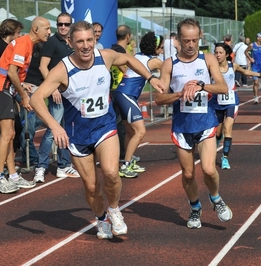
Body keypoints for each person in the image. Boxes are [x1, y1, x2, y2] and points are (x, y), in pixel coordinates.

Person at [30, 21, 165, 239]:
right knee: (91, 187)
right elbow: (36, 98)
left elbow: (130, 59)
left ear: (95, 40)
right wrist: (55, 127)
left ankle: (114, 209)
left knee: (111, 173)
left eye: (89, 40)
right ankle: (101, 219)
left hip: (105, 127)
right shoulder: (63, 69)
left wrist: (151, 77)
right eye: (80, 41)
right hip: (78, 135)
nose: (85, 46)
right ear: (70, 42)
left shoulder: (105, 57)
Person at [155, 18, 233, 229]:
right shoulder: (170, 64)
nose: (190, 45)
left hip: (206, 122)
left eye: (194, 40)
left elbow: (223, 88)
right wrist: (180, 93)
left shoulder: (207, 59)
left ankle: (216, 198)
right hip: (182, 126)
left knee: (208, 169)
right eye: (186, 41)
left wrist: (201, 85)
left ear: (200, 38)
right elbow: (159, 99)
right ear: (178, 39)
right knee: (188, 174)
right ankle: (195, 207)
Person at [0, 17, 51, 194]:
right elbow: (11, 71)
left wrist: (21, 86)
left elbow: (12, 72)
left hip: (6, 89)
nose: (49, 32)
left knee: (11, 133)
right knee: (7, 134)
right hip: (1, 89)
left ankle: (13, 176)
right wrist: (24, 96)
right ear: (35, 29)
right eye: (46, 28)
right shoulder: (24, 43)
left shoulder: (28, 44)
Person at [34, 12, 80, 183]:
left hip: (70, 95)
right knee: (52, 131)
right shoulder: (52, 42)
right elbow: (43, 66)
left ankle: (63, 165)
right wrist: (51, 87)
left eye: (66, 24)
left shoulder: (72, 43)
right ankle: (41, 166)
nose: (63, 27)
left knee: (66, 130)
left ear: (71, 25)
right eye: (60, 24)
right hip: (57, 94)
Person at [114, 32, 164, 178]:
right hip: (126, 94)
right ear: (154, 48)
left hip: (121, 93)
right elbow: (170, 67)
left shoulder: (137, 56)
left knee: (130, 132)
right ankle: (126, 165)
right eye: (160, 48)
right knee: (140, 131)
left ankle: (128, 159)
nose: (161, 51)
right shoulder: (153, 61)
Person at [213, 42, 261, 169]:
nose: (218, 55)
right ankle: (218, 139)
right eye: (216, 52)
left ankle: (225, 157)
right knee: (219, 131)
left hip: (231, 101)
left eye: (220, 52)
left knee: (228, 128)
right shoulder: (212, 67)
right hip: (217, 102)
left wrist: (259, 75)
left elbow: (246, 72)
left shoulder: (233, 65)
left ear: (226, 54)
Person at [0, 19, 24, 151]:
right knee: (4, 130)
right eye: (18, 32)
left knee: (15, 126)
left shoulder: (9, 46)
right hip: (0, 90)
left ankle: (10, 158)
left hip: (9, 90)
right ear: (10, 32)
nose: (19, 35)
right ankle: (3, 162)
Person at [111, 25, 133, 162]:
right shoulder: (118, 51)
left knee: (124, 123)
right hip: (119, 90)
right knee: (121, 124)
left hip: (116, 89)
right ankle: (122, 154)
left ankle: (124, 153)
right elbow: (126, 70)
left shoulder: (115, 49)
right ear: (128, 36)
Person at [245, 32, 261, 104]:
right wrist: (250, 58)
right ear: (258, 38)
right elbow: (246, 52)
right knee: (256, 82)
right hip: (255, 66)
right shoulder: (252, 45)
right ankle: (255, 97)